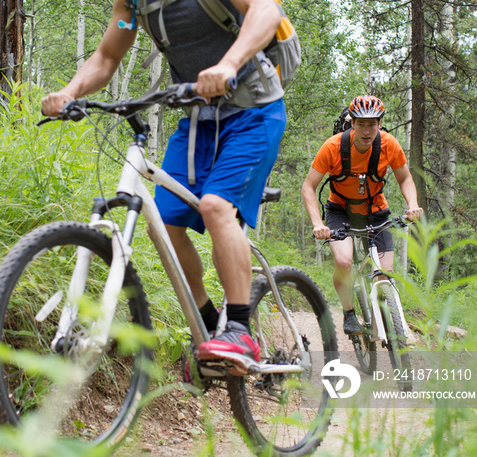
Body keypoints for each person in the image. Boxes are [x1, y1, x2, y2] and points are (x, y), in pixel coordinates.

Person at [42, 0, 287, 374]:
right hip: (198, 120)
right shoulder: (132, 3)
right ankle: (207, 322)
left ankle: (239, 329)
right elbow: (107, 58)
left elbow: (267, 10)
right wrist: (70, 90)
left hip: (254, 111)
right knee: (166, 221)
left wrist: (228, 64)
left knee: (216, 206)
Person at [301, 95, 424, 335]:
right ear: (352, 122)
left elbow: (405, 178)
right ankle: (349, 313)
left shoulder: (389, 144)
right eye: (361, 124)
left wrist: (413, 204)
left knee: (385, 276)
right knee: (344, 261)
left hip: (376, 212)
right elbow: (308, 187)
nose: (367, 131)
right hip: (340, 210)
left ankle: (386, 324)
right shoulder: (333, 147)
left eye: (373, 124)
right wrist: (317, 223)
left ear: (379, 123)